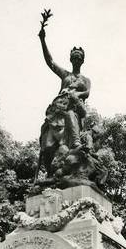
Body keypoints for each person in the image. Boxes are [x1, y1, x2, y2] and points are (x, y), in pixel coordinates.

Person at [35, 15, 91, 181]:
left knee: (70, 115)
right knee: (47, 146)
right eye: (74, 54)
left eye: (79, 55)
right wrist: (42, 40)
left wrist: (77, 94)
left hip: (73, 109)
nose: (76, 57)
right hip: (56, 109)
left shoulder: (85, 79)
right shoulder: (65, 75)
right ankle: (50, 173)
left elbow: (87, 93)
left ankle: (75, 143)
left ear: (82, 59)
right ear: (70, 58)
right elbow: (50, 62)